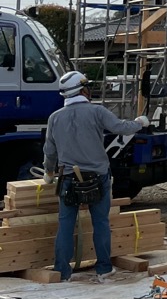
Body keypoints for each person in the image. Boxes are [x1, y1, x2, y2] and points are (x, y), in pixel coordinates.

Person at [41, 70, 146, 282]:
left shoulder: (55, 118)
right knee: (100, 222)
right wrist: (139, 123)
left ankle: (62, 272)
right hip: (98, 176)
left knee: (66, 224)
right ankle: (104, 269)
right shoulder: (97, 111)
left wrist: (49, 172)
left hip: (68, 178)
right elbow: (120, 128)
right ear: (83, 90)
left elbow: (49, 151)